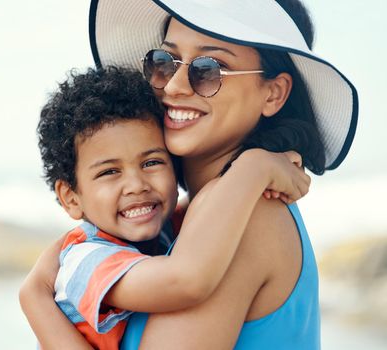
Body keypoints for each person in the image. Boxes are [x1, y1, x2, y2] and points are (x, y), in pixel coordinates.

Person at [20, 0, 358, 349]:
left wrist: (37, 301)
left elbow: (186, 281)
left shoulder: (250, 211)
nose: (175, 86)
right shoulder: (185, 218)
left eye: (209, 68)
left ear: (273, 93)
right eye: (164, 63)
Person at [30, 66, 308, 349]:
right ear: (71, 198)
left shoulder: (158, 233)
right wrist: (253, 169)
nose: (137, 185)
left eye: (151, 163)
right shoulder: (86, 261)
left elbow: (203, 210)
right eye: (109, 172)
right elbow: (184, 281)